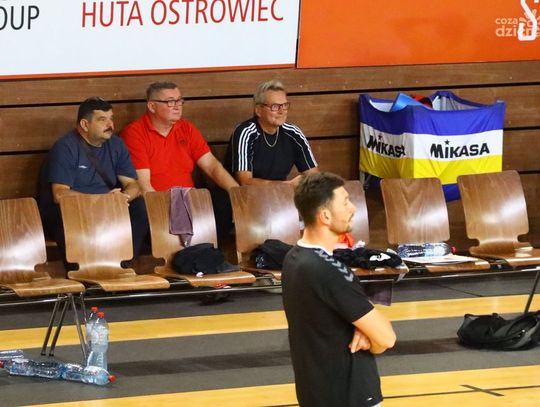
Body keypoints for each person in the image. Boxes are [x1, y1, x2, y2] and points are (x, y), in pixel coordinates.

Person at [282, 172, 396, 407]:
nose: (352, 208)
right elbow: (386, 338)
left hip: (315, 392)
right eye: (345, 202)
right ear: (325, 216)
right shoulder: (329, 271)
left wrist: (366, 331)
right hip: (350, 394)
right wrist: (371, 338)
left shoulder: (293, 258)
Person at [39, 97, 148, 263]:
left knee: (139, 207)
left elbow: (133, 185)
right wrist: (100, 201)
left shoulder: (117, 144)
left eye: (111, 118)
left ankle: (123, 265)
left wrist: (122, 198)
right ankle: (80, 270)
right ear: (85, 124)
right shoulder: (65, 147)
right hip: (75, 208)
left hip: (108, 206)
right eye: (102, 120)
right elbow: (60, 194)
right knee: (65, 216)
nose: (110, 125)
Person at [120, 81, 238, 193]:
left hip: (189, 199)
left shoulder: (186, 128)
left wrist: (238, 193)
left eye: (179, 101)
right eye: (170, 102)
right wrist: (165, 207)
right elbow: (144, 186)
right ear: (152, 106)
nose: (177, 107)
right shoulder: (134, 133)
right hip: (156, 202)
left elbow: (212, 166)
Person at [225, 80, 319, 187]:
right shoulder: (246, 132)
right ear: (258, 110)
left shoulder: (293, 133)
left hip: (280, 194)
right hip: (246, 196)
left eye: (284, 105)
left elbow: (314, 177)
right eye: (275, 106)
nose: (281, 111)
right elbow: (245, 182)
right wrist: (286, 185)